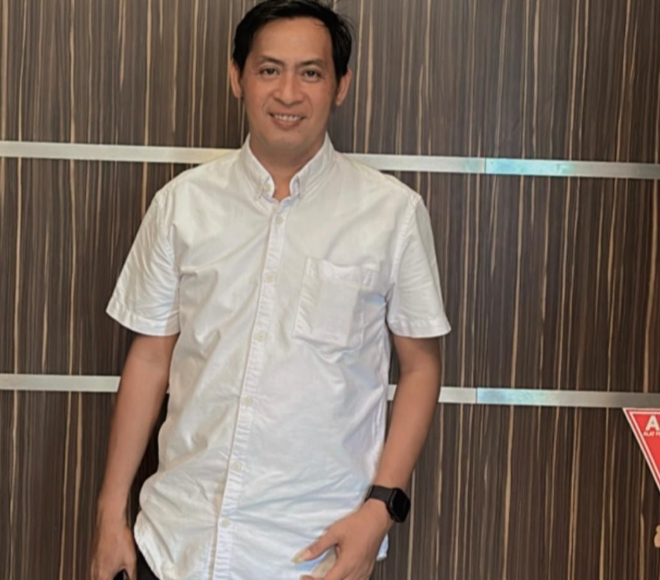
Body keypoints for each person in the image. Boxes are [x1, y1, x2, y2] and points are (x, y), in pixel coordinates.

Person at [89, 1, 450, 579]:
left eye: (311, 72)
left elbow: (421, 368)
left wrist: (381, 509)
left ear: (340, 85)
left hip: (313, 554)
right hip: (178, 543)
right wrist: (111, 513)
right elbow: (151, 359)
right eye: (269, 70)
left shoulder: (393, 214)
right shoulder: (181, 205)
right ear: (238, 77)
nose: (288, 93)